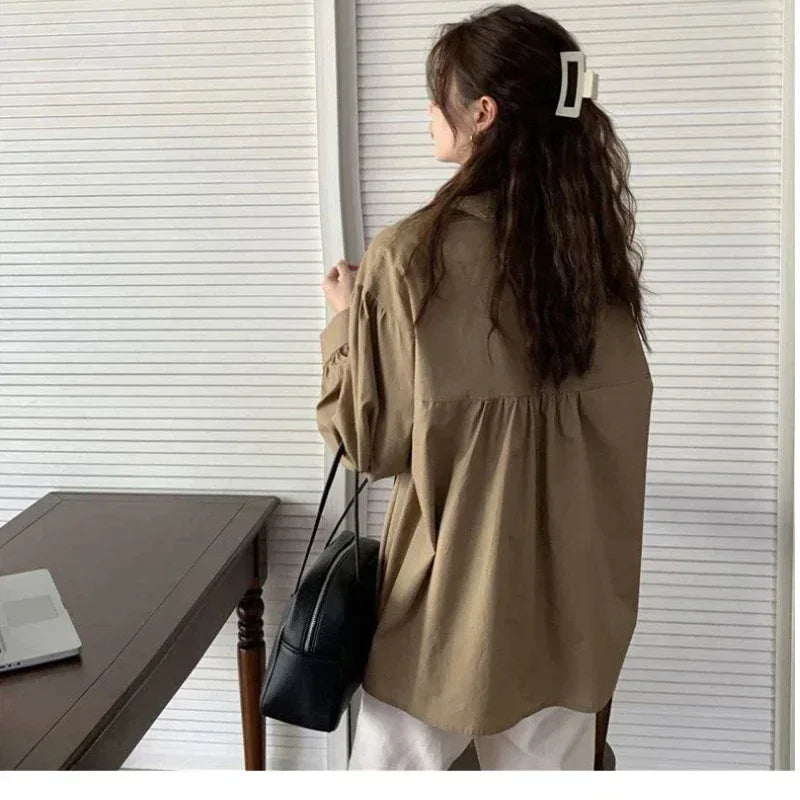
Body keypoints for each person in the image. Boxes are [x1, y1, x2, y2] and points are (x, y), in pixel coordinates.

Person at [317, 4, 654, 771]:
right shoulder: (596, 259)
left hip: (442, 614)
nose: (427, 111)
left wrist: (347, 323)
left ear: (482, 112)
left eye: (438, 94)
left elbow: (368, 443)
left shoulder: (411, 259)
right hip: (573, 614)